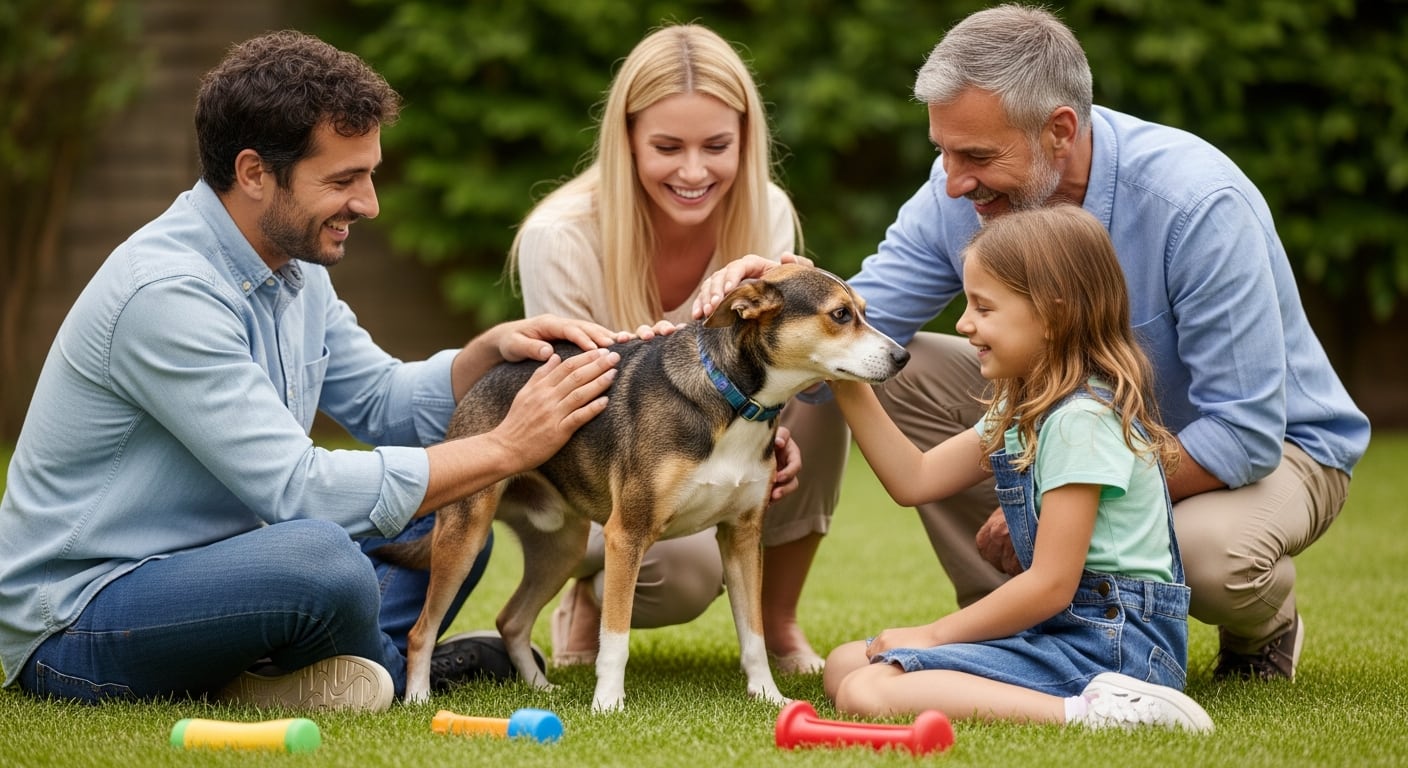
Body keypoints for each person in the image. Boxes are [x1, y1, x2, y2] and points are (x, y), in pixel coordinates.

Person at [698, 3, 1370, 682]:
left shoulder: (1195, 206)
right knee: (903, 367)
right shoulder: (958, 190)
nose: (955, 181)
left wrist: (1061, 498)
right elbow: (851, 339)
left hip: (1275, 448)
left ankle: (1264, 627)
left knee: (1210, 556)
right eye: (944, 151)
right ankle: (1017, 621)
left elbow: (1245, 432)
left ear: (1059, 131)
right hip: (1070, 424)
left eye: (977, 156)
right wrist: (773, 302)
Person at [0, 30, 631, 712]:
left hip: (229, 569)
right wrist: (507, 447)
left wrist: (485, 356)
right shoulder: (168, 294)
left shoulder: (291, 266)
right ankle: (386, 669)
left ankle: (299, 674)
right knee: (322, 560)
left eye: (370, 174)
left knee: (450, 524)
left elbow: (383, 399)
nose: (368, 204)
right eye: (343, 180)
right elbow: (298, 491)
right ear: (253, 173)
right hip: (81, 615)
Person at [507, 23, 826, 674]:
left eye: (716, 145)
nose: (692, 170)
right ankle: (587, 600)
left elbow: (774, 363)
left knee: (832, 370)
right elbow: (572, 394)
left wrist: (769, 431)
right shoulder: (559, 237)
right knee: (682, 573)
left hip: (727, 442)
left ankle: (779, 622)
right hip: (600, 460)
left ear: (746, 139)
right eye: (666, 146)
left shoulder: (767, 211)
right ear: (626, 141)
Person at [823, 204, 1212, 731]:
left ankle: (1097, 714)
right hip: (1068, 632)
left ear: (1052, 316)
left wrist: (933, 634)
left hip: (1117, 650)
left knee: (866, 690)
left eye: (984, 308)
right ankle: (1077, 705)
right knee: (847, 664)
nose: (964, 324)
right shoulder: (1026, 411)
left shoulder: (1082, 421)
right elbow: (914, 479)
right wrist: (841, 370)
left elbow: (1052, 584)